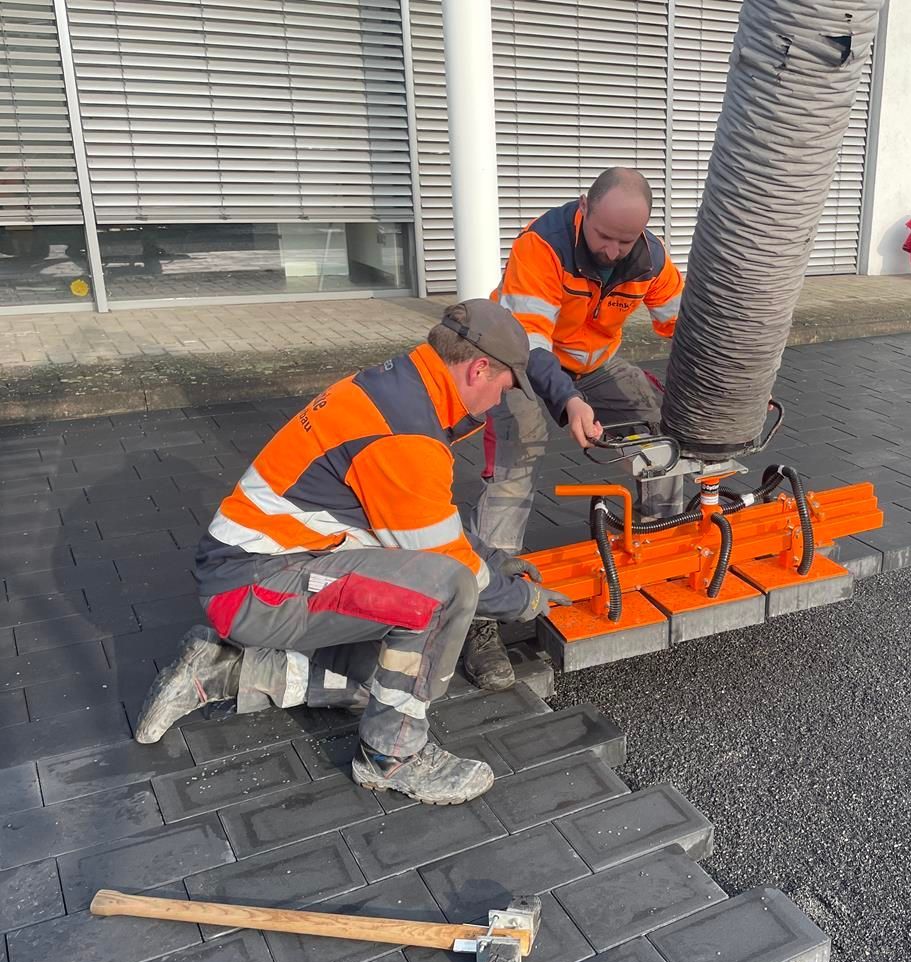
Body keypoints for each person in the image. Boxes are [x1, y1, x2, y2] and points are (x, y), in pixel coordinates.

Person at [132, 300, 575, 806]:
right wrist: (520, 601)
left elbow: (429, 519)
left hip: (266, 569)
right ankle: (391, 758)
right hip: (254, 586)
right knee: (446, 594)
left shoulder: (401, 390)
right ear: (478, 369)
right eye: (505, 386)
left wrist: (496, 564)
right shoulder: (404, 434)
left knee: (390, 681)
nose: (502, 399)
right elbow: (449, 563)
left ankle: (223, 670)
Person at [464, 166, 685, 691]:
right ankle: (481, 614)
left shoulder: (650, 258)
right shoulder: (542, 248)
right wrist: (569, 402)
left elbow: (686, 322)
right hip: (517, 360)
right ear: (584, 207)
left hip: (595, 362)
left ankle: (669, 549)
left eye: (625, 240)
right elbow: (532, 346)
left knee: (661, 430)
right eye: (604, 235)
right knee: (519, 462)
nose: (612, 251)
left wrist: (728, 377)